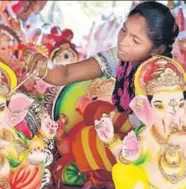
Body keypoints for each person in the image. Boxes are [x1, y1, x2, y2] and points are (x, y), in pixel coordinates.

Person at [24, 1, 179, 117]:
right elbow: (66, 74)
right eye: (124, 30)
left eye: (135, 41)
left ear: (157, 49)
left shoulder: (163, 79)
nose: (123, 42)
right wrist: (44, 67)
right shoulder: (120, 57)